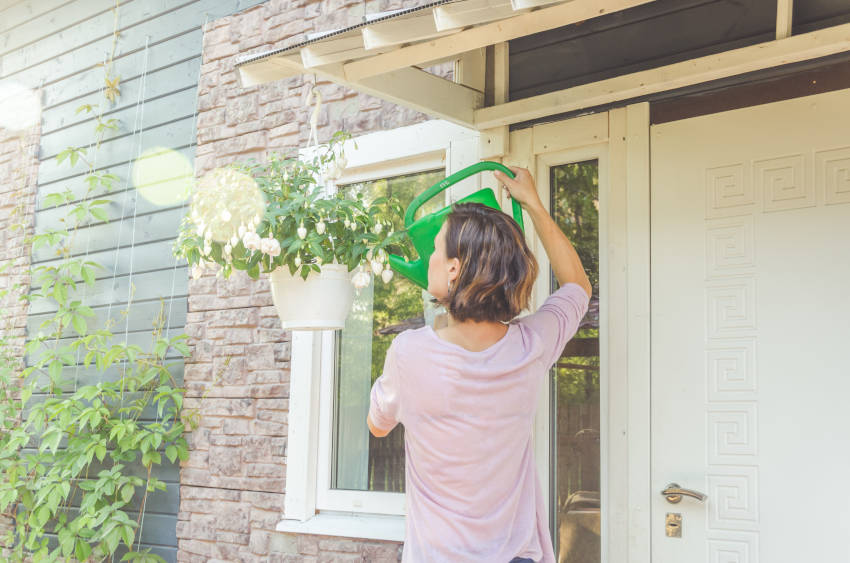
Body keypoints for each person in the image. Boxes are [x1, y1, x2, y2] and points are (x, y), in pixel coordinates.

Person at [367, 165, 592, 563]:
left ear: (453, 268)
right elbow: (578, 286)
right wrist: (533, 204)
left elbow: (378, 425)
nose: (430, 258)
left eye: (435, 249)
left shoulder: (408, 354)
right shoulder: (531, 345)